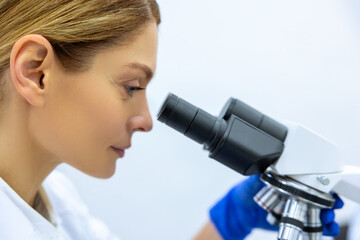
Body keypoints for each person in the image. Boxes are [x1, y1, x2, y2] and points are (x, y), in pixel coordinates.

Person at [0, 1, 342, 239]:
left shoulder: (55, 199)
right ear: (36, 72)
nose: (146, 120)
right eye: (131, 86)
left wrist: (224, 224)